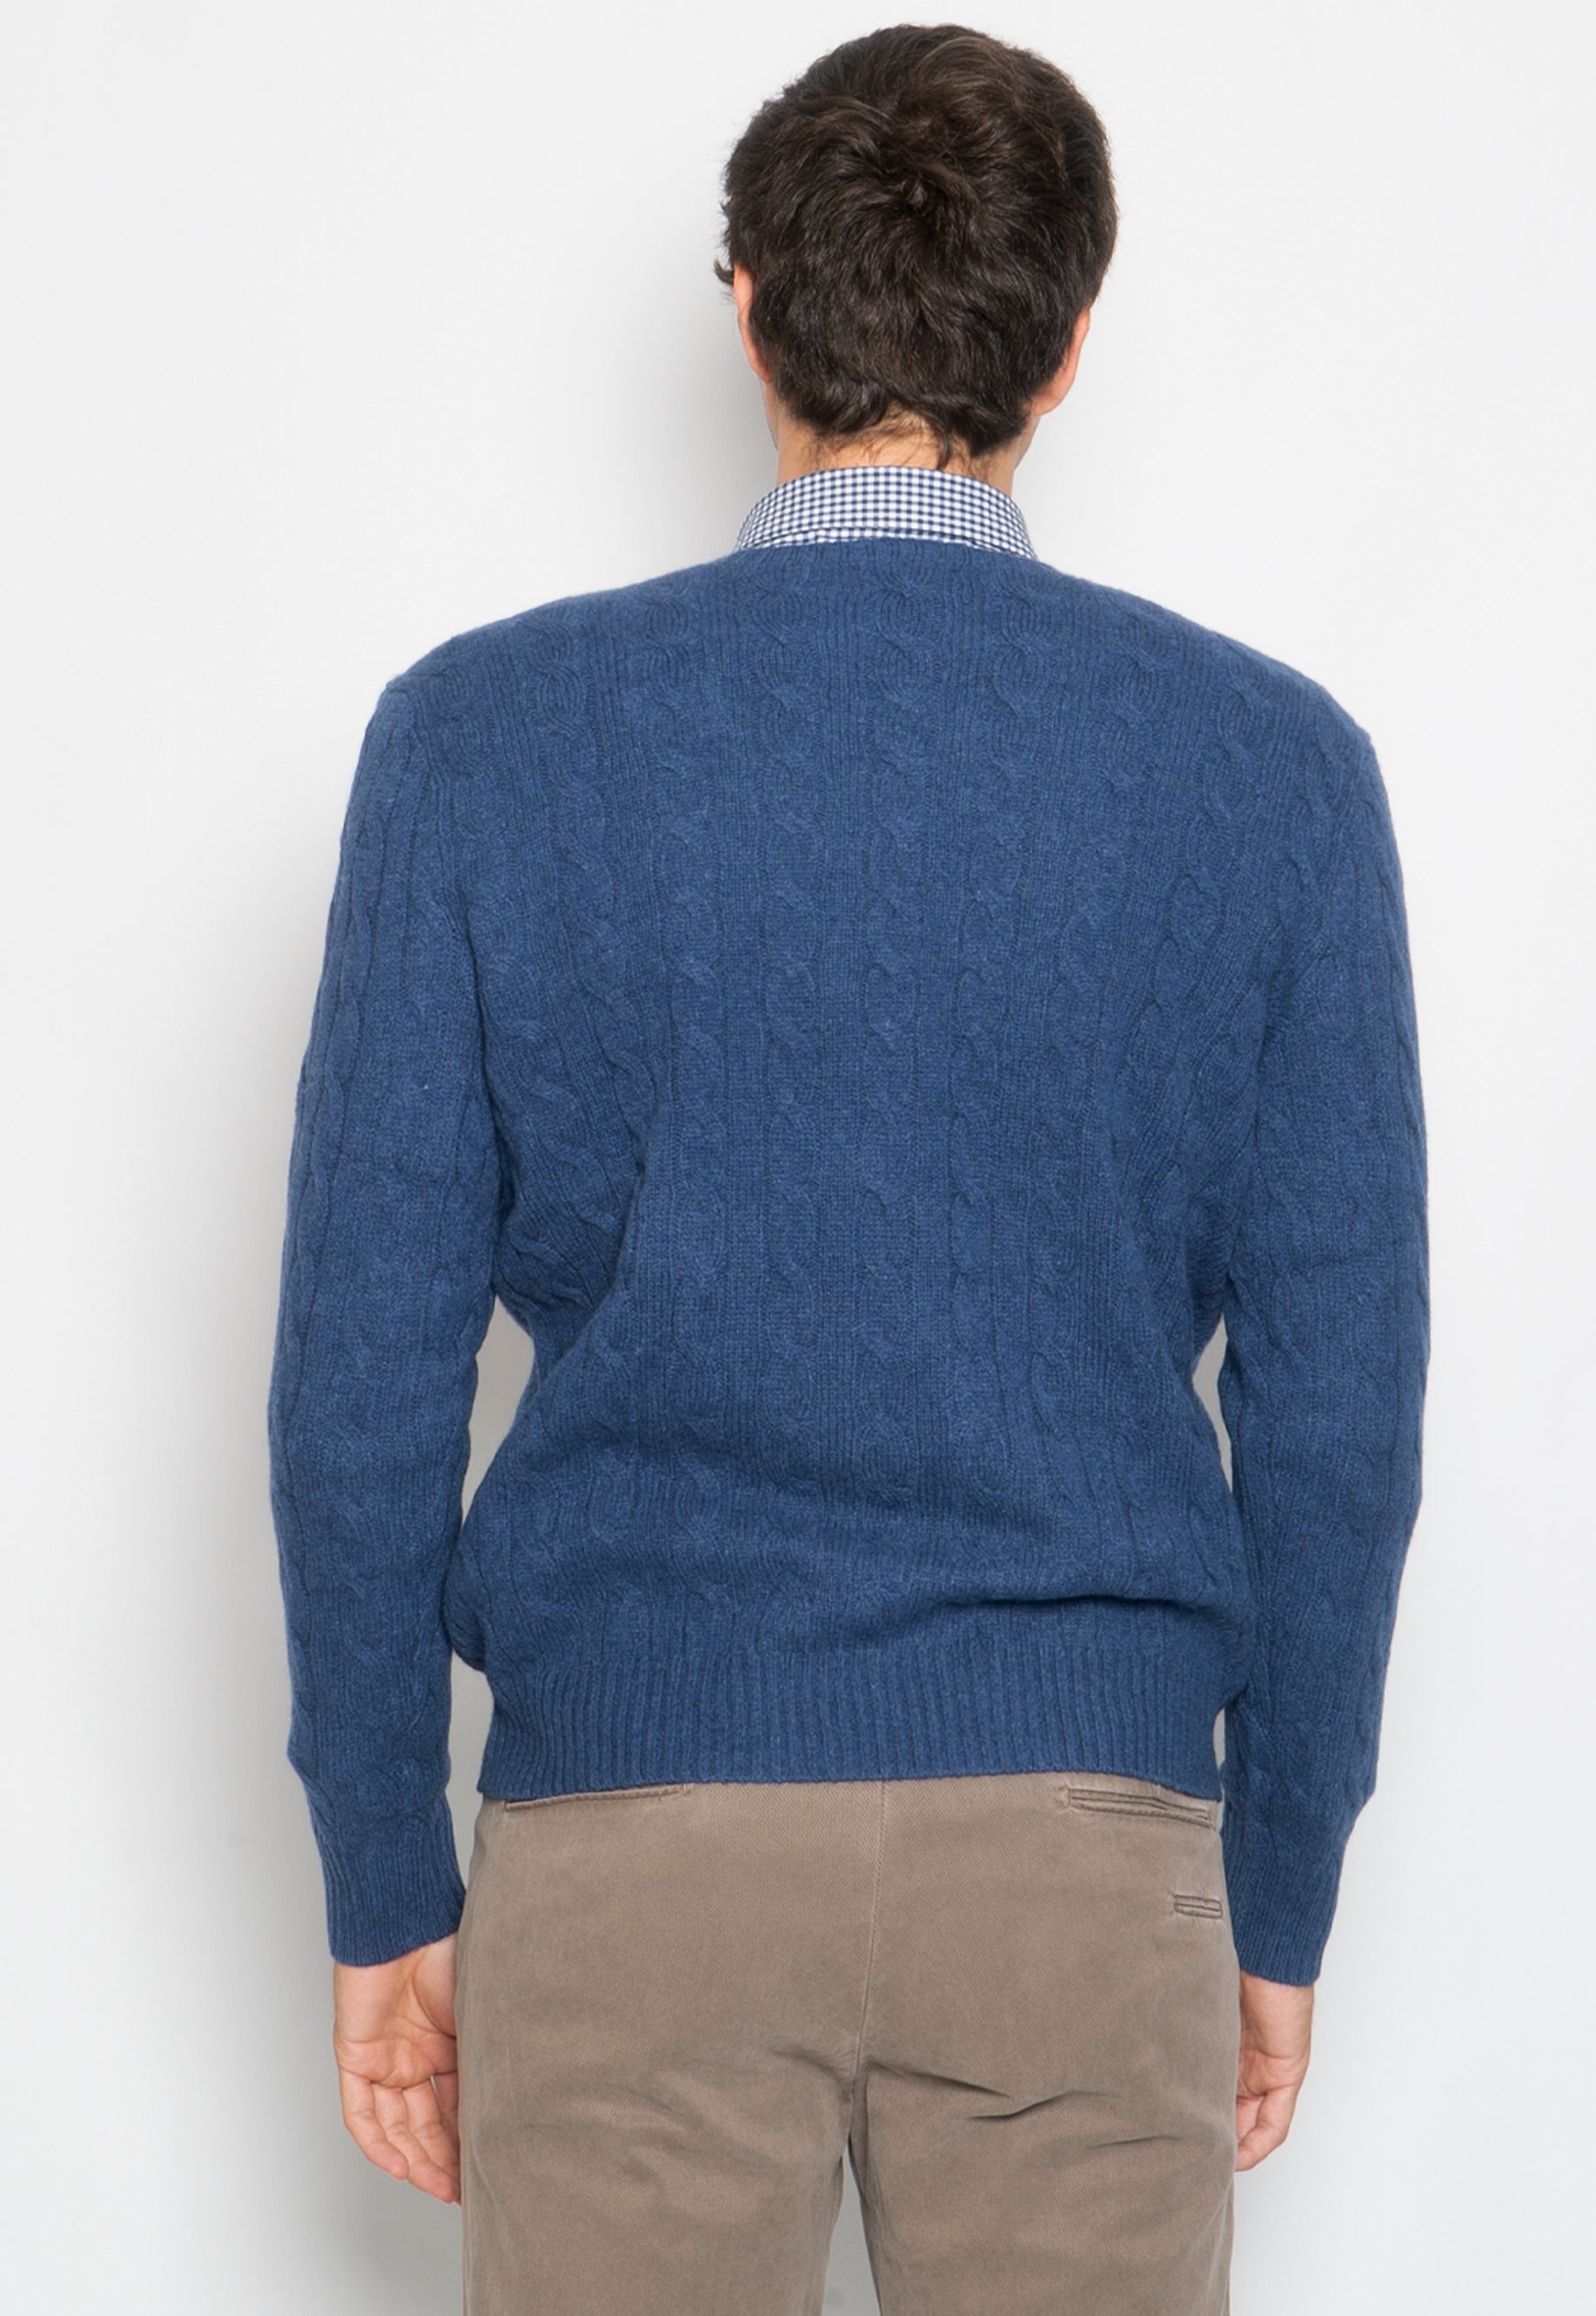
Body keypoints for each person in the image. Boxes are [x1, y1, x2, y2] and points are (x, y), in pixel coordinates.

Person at [266, 23, 1430, 2313]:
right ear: (1069, 347)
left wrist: (384, 1877)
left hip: (631, 1852)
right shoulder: (1274, 773)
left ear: (749, 312)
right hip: (1086, 1872)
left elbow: (357, 1388)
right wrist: (1280, 1888)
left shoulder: (479, 744)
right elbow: (1340, 1417)